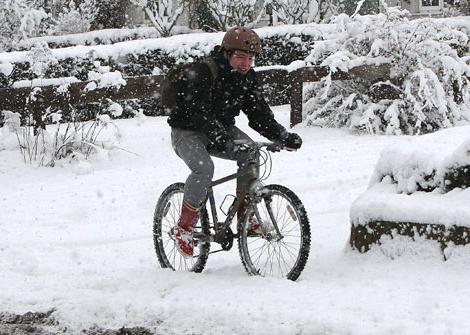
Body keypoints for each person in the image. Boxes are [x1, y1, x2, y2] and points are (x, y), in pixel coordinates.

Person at [167, 26, 303, 257]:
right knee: (203, 168)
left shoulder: (247, 78)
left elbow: (259, 114)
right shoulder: (204, 71)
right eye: (240, 57)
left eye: (250, 59)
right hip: (187, 130)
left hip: (222, 128)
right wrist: (219, 136)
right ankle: (184, 228)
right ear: (226, 53)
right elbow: (197, 110)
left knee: (251, 152)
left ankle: (247, 217)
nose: (245, 64)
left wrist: (282, 135)